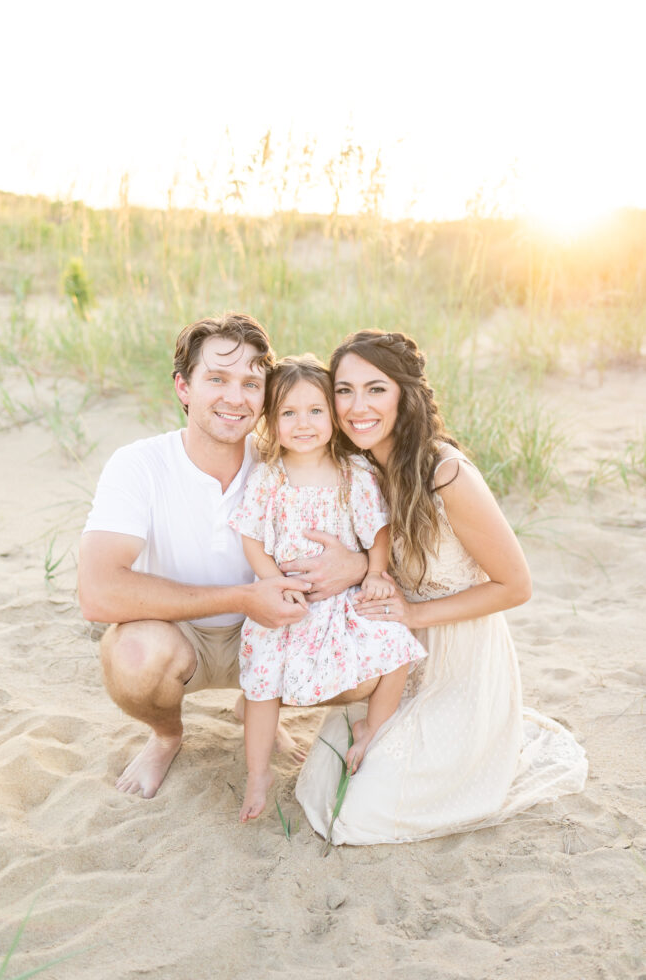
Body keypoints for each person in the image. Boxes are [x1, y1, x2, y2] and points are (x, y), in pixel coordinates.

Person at [295, 329, 588, 845]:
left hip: (461, 658)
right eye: (344, 390)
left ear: (405, 394)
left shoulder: (447, 474)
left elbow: (516, 585)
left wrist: (412, 615)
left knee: (364, 815)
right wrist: (362, 565)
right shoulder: (359, 469)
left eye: (375, 389)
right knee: (326, 784)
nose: (356, 406)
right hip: (396, 659)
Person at [78, 313, 369, 799]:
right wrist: (241, 596)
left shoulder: (287, 461)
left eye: (251, 383)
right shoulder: (140, 464)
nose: (235, 398)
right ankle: (167, 735)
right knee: (134, 655)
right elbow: (98, 593)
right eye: (217, 379)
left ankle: (256, 705)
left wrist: (357, 565)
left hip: (271, 628)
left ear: (264, 397)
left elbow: (369, 530)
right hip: (177, 633)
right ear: (183, 387)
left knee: (370, 668)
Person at [229, 355, 426, 822]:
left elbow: (377, 531)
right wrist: (272, 581)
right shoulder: (268, 477)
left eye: (316, 411)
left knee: (394, 643)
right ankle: (258, 772)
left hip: (341, 600)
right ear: (271, 422)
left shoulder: (352, 473)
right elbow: (251, 537)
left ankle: (372, 727)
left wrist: (375, 572)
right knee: (264, 683)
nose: (303, 424)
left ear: (333, 418)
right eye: (289, 414)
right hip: (286, 599)